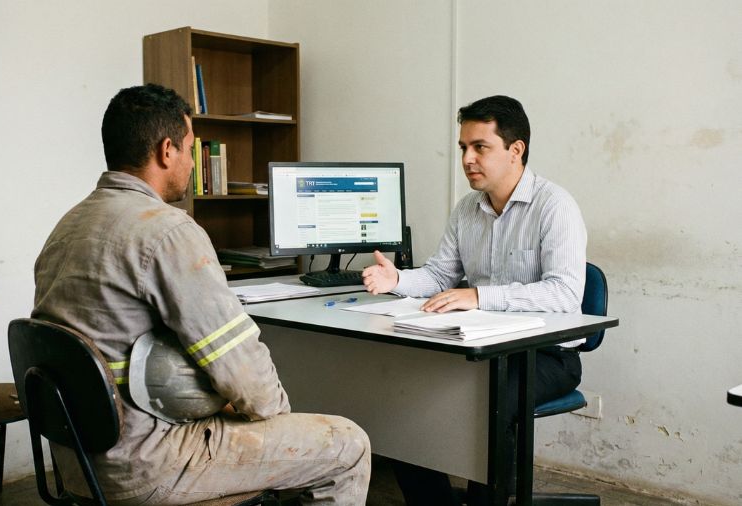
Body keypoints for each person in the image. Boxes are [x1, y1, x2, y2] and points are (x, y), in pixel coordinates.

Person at [32, 84, 371, 505]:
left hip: (79, 465)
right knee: (347, 445)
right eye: (190, 149)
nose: (192, 164)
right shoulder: (167, 230)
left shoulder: (68, 225)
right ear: (166, 150)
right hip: (148, 465)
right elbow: (244, 374)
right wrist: (277, 424)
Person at [362, 95, 587, 505]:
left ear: (515, 150)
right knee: (403, 400)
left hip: (545, 356)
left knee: (488, 408)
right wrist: (397, 279)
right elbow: (438, 276)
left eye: (480, 147)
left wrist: (479, 295)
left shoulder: (555, 207)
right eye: (464, 147)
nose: (467, 158)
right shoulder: (468, 209)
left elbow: (565, 294)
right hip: (479, 350)